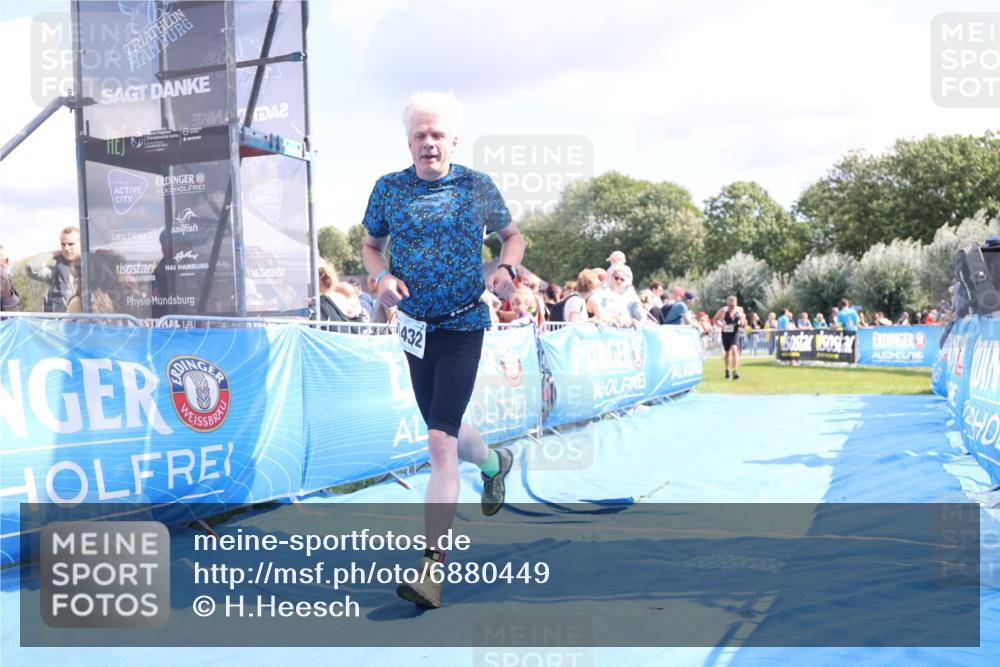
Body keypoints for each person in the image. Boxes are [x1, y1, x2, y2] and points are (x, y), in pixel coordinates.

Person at [361, 91, 524, 609]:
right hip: (413, 327)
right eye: (419, 135)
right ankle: (495, 462)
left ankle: (432, 567)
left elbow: (512, 237)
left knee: (437, 442)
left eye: (437, 135)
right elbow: (370, 246)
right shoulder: (388, 189)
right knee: (446, 431)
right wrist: (382, 275)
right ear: (408, 141)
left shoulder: (476, 186)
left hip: (462, 325)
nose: (428, 143)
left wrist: (505, 269)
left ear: (454, 139)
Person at [27, 226, 80, 312]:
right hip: (60, 323)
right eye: (63, 244)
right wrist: (53, 254)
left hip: (87, 323)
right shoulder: (55, 272)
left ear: (82, 244)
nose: (66, 248)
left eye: (71, 244)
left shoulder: (92, 268)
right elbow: (31, 268)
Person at [713, 295, 746, 379]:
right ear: (727, 304)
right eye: (730, 305)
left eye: (733, 305)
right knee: (727, 352)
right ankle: (727, 369)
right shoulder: (723, 311)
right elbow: (714, 319)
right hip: (726, 333)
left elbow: (743, 320)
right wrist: (721, 325)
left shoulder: (740, 310)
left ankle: (735, 371)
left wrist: (742, 323)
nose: (731, 307)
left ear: (736, 304)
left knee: (735, 350)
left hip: (735, 332)